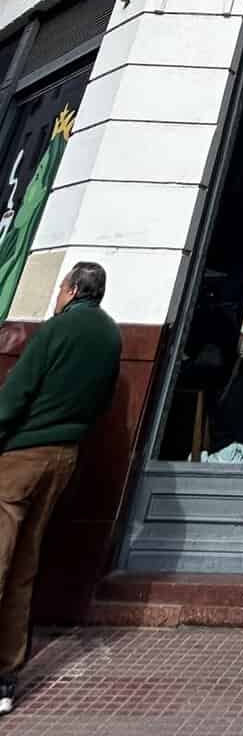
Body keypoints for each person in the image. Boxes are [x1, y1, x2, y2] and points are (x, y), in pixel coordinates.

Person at [0, 261, 121, 715]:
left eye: (59, 289)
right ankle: (6, 677)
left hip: (21, 457)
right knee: (24, 564)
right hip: (64, 456)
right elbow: (104, 401)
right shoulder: (111, 336)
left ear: (70, 290)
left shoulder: (56, 331)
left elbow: (16, 393)